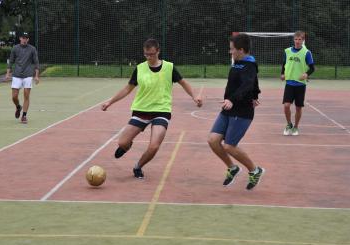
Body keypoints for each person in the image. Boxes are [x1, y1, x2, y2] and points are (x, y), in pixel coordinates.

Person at [101, 38, 202, 179]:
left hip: (161, 111)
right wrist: (110, 102)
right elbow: (127, 88)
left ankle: (138, 166)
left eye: (152, 54)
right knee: (122, 142)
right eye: (146, 54)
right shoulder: (140, 68)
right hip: (141, 110)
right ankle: (126, 147)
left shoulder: (169, 67)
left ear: (158, 51)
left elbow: (183, 83)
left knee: (154, 146)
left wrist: (194, 96)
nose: (149, 57)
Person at [207, 33, 264, 190]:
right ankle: (232, 168)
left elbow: (247, 84)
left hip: (242, 111)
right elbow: (254, 84)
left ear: (241, 49)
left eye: (232, 49)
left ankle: (255, 170)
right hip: (228, 109)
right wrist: (255, 94)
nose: (230, 52)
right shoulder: (237, 62)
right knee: (212, 140)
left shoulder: (249, 65)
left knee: (229, 146)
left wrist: (233, 99)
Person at [281, 31, 315, 135]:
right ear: (293, 40)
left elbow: (312, 68)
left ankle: (296, 127)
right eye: (296, 39)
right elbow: (284, 64)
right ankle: (289, 124)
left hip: (300, 84)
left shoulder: (306, 52)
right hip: (289, 83)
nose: (298, 41)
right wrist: (282, 73)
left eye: (300, 39)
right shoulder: (287, 51)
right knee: (286, 105)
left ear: (303, 40)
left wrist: (307, 74)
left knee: (298, 107)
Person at [5, 32, 40, 124]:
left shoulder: (32, 49)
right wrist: (8, 74)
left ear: (28, 39)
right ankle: (18, 107)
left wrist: (36, 76)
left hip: (28, 76)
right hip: (16, 75)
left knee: (26, 95)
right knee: (14, 97)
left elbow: (36, 62)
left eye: (26, 38)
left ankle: (24, 116)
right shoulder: (15, 48)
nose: (25, 40)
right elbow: (11, 61)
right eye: (23, 38)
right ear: (20, 38)